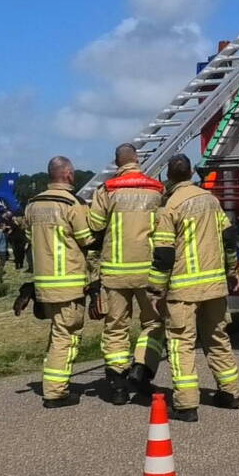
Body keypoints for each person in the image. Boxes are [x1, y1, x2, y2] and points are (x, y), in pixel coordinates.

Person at [147, 154, 239, 422]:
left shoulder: (169, 208)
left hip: (183, 290)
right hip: (214, 286)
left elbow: (164, 255)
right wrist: (231, 269)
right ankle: (230, 393)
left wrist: (155, 289)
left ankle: (186, 405)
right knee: (218, 339)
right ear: (190, 173)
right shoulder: (211, 200)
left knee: (181, 345)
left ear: (169, 176)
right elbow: (229, 239)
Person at [88, 143, 166, 405]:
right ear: (138, 160)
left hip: (115, 271)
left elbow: (96, 224)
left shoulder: (107, 189)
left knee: (115, 327)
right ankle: (141, 369)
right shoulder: (156, 188)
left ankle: (118, 384)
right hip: (148, 271)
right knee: (154, 324)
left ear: (116, 162)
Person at [22, 156, 95, 408]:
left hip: (44, 282)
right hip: (69, 282)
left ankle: (54, 383)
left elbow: (30, 238)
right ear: (68, 175)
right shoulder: (71, 204)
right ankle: (55, 391)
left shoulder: (33, 205)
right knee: (67, 336)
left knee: (56, 334)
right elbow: (87, 240)